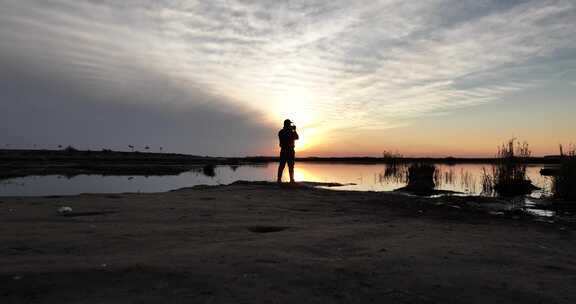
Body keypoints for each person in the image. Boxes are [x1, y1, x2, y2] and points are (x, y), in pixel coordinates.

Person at [277, 119, 299, 183]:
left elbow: (296, 137)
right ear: (287, 124)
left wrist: (292, 130)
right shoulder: (286, 132)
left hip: (285, 150)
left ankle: (280, 180)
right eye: (289, 124)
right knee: (287, 166)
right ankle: (290, 180)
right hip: (288, 150)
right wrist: (294, 130)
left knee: (285, 166)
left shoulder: (281, 131)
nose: (290, 125)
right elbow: (296, 137)